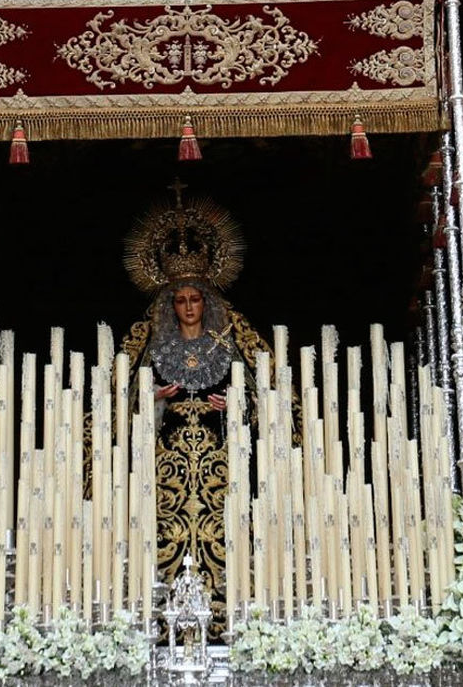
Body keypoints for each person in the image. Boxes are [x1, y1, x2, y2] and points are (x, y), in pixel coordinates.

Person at [120, 192, 281, 640]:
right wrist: (152, 398)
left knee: (229, 530)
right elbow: (122, 402)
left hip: (223, 463)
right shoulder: (153, 345)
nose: (189, 306)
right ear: (171, 304)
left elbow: (266, 394)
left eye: (195, 299)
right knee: (160, 530)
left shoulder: (230, 342)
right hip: (166, 466)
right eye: (181, 300)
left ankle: (231, 612)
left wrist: (239, 406)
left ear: (205, 301)